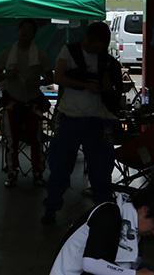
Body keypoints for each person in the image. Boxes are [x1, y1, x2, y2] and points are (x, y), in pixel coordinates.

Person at [43, 21, 122, 223]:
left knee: (100, 170)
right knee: (60, 167)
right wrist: (86, 85)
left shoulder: (104, 59)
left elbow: (110, 84)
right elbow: (58, 77)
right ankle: (51, 207)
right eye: (96, 46)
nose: (98, 51)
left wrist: (106, 86)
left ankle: (104, 210)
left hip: (96, 119)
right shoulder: (69, 52)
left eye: (102, 47)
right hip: (69, 117)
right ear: (88, 39)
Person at [49, 189, 154, 275]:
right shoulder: (109, 214)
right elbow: (90, 263)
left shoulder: (130, 223)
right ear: (145, 210)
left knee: (149, 270)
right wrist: (134, 274)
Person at [0, 18, 53, 188]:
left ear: (34, 34)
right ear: (18, 31)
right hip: (12, 103)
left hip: (32, 103)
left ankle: (38, 172)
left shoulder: (39, 55)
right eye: (23, 29)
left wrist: (37, 83)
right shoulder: (7, 54)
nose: (26, 32)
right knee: (12, 140)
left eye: (29, 29)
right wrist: (8, 75)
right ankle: (12, 172)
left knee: (36, 140)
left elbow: (50, 77)